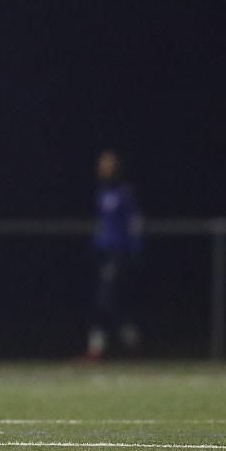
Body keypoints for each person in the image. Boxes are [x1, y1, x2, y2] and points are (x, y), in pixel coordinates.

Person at [87, 149, 144, 359]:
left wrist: (135, 250)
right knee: (106, 300)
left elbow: (135, 222)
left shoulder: (125, 192)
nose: (102, 168)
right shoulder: (101, 191)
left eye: (107, 164)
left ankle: (107, 346)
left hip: (118, 252)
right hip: (101, 252)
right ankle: (127, 342)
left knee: (106, 299)